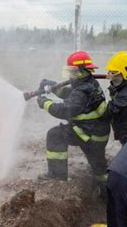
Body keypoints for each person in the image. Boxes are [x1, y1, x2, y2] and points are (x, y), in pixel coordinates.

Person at [36, 51, 110, 182]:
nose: (70, 76)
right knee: (99, 169)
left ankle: (56, 175)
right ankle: (105, 186)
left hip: (86, 134)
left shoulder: (82, 91)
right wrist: (54, 87)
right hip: (98, 133)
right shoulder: (90, 84)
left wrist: (45, 103)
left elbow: (66, 110)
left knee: (55, 135)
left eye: (72, 72)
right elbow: (72, 94)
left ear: (80, 71)